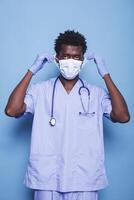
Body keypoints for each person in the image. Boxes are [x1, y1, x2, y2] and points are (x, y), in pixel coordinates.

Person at [5, 30, 130, 200]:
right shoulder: (40, 90)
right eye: (65, 56)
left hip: (84, 177)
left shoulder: (96, 93)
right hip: (47, 177)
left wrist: (105, 75)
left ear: (83, 60)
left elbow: (122, 116)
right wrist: (31, 71)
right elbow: (12, 110)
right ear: (57, 58)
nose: (71, 61)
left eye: (76, 57)